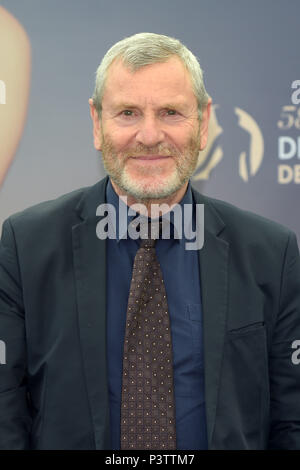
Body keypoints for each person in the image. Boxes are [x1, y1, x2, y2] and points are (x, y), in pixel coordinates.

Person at [0, 32, 300, 450]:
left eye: (171, 112)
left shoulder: (271, 253)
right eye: (127, 112)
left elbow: (292, 420)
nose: (149, 135)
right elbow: (5, 415)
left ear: (204, 122)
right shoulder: (25, 246)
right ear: (96, 123)